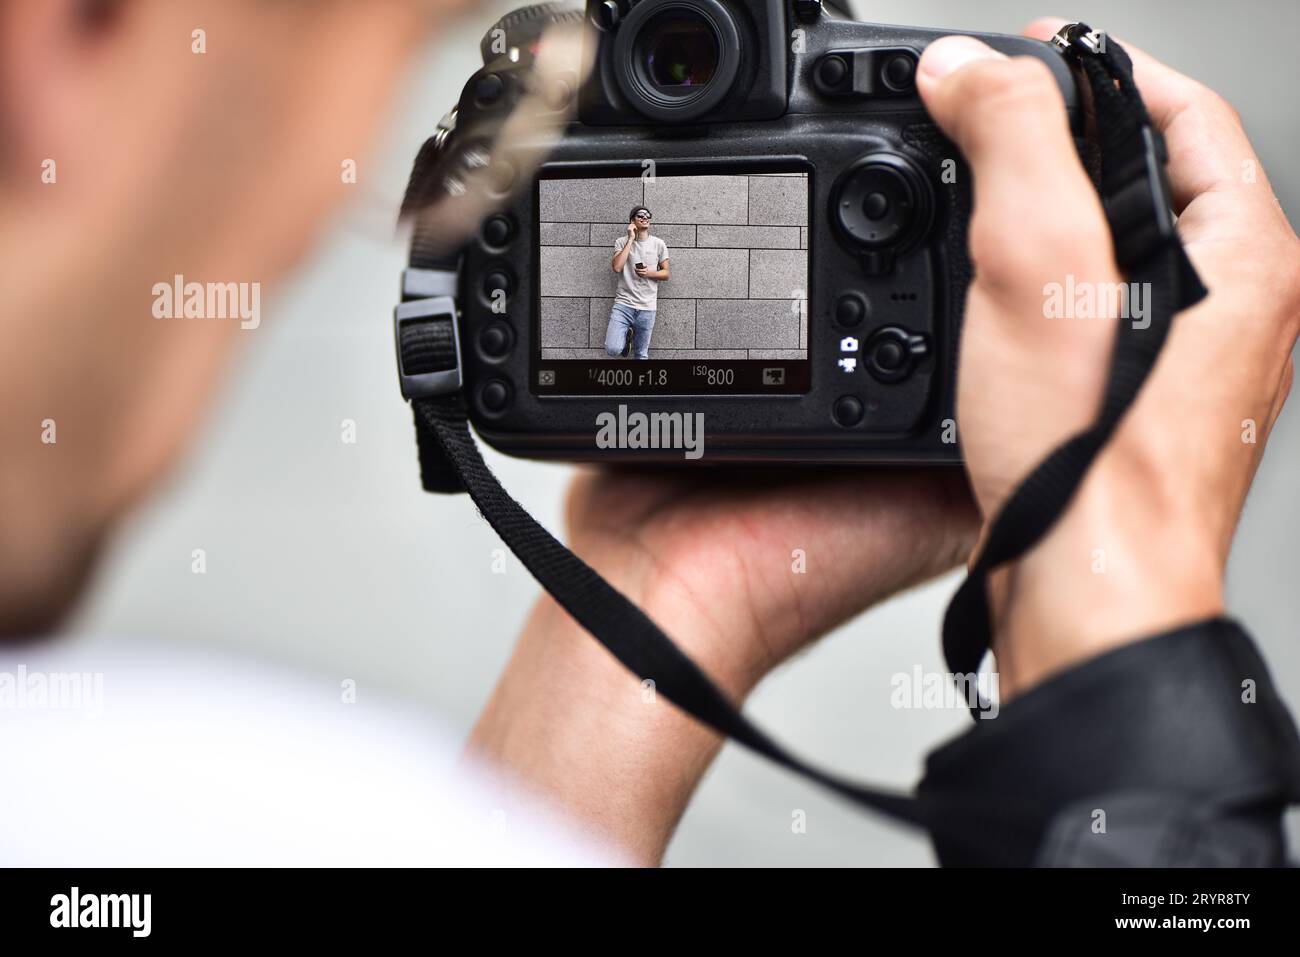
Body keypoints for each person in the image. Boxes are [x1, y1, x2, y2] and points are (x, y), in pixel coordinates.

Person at [1, 1, 1297, 867]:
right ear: (57, 38)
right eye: (375, 59)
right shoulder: (169, 793)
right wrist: (1115, 584)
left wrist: (654, 609)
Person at [605, 206, 670, 359]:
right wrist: (630, 239)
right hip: (623, 305)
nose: (645, 217)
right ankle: (626, 336)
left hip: (647, 308)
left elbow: (666, 273)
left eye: (648, 215)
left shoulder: (659, 244)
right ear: (632, 221)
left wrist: (650, 273)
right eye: (640, 215)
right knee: (613, 350)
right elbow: (617, 267)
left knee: (641, 355)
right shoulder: (621, 242)